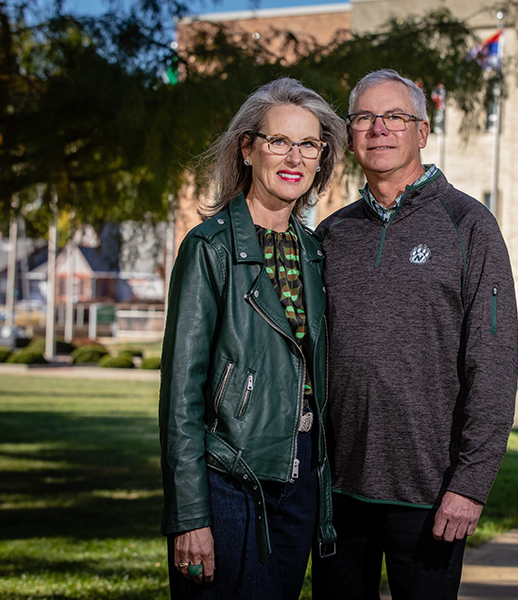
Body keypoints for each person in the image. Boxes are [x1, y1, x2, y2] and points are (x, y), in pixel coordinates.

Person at [312, 68, 518, 599]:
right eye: (364, 117)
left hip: (430, 495)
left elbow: (493, 363)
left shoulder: (468, 224)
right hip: (336, 493)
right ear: (351, 133)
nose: (379, 128)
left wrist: (470, 485)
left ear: (422, 132)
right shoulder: (332, 233)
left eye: (395, 117)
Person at [158, 77, 345, 599]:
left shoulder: (314, 252)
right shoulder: (209, 248)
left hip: (299, 475)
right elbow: (181, 397)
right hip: (228, 477)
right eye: (278, 141)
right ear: (247, 147)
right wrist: (190, 515)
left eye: (308, 144)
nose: (294, 156)